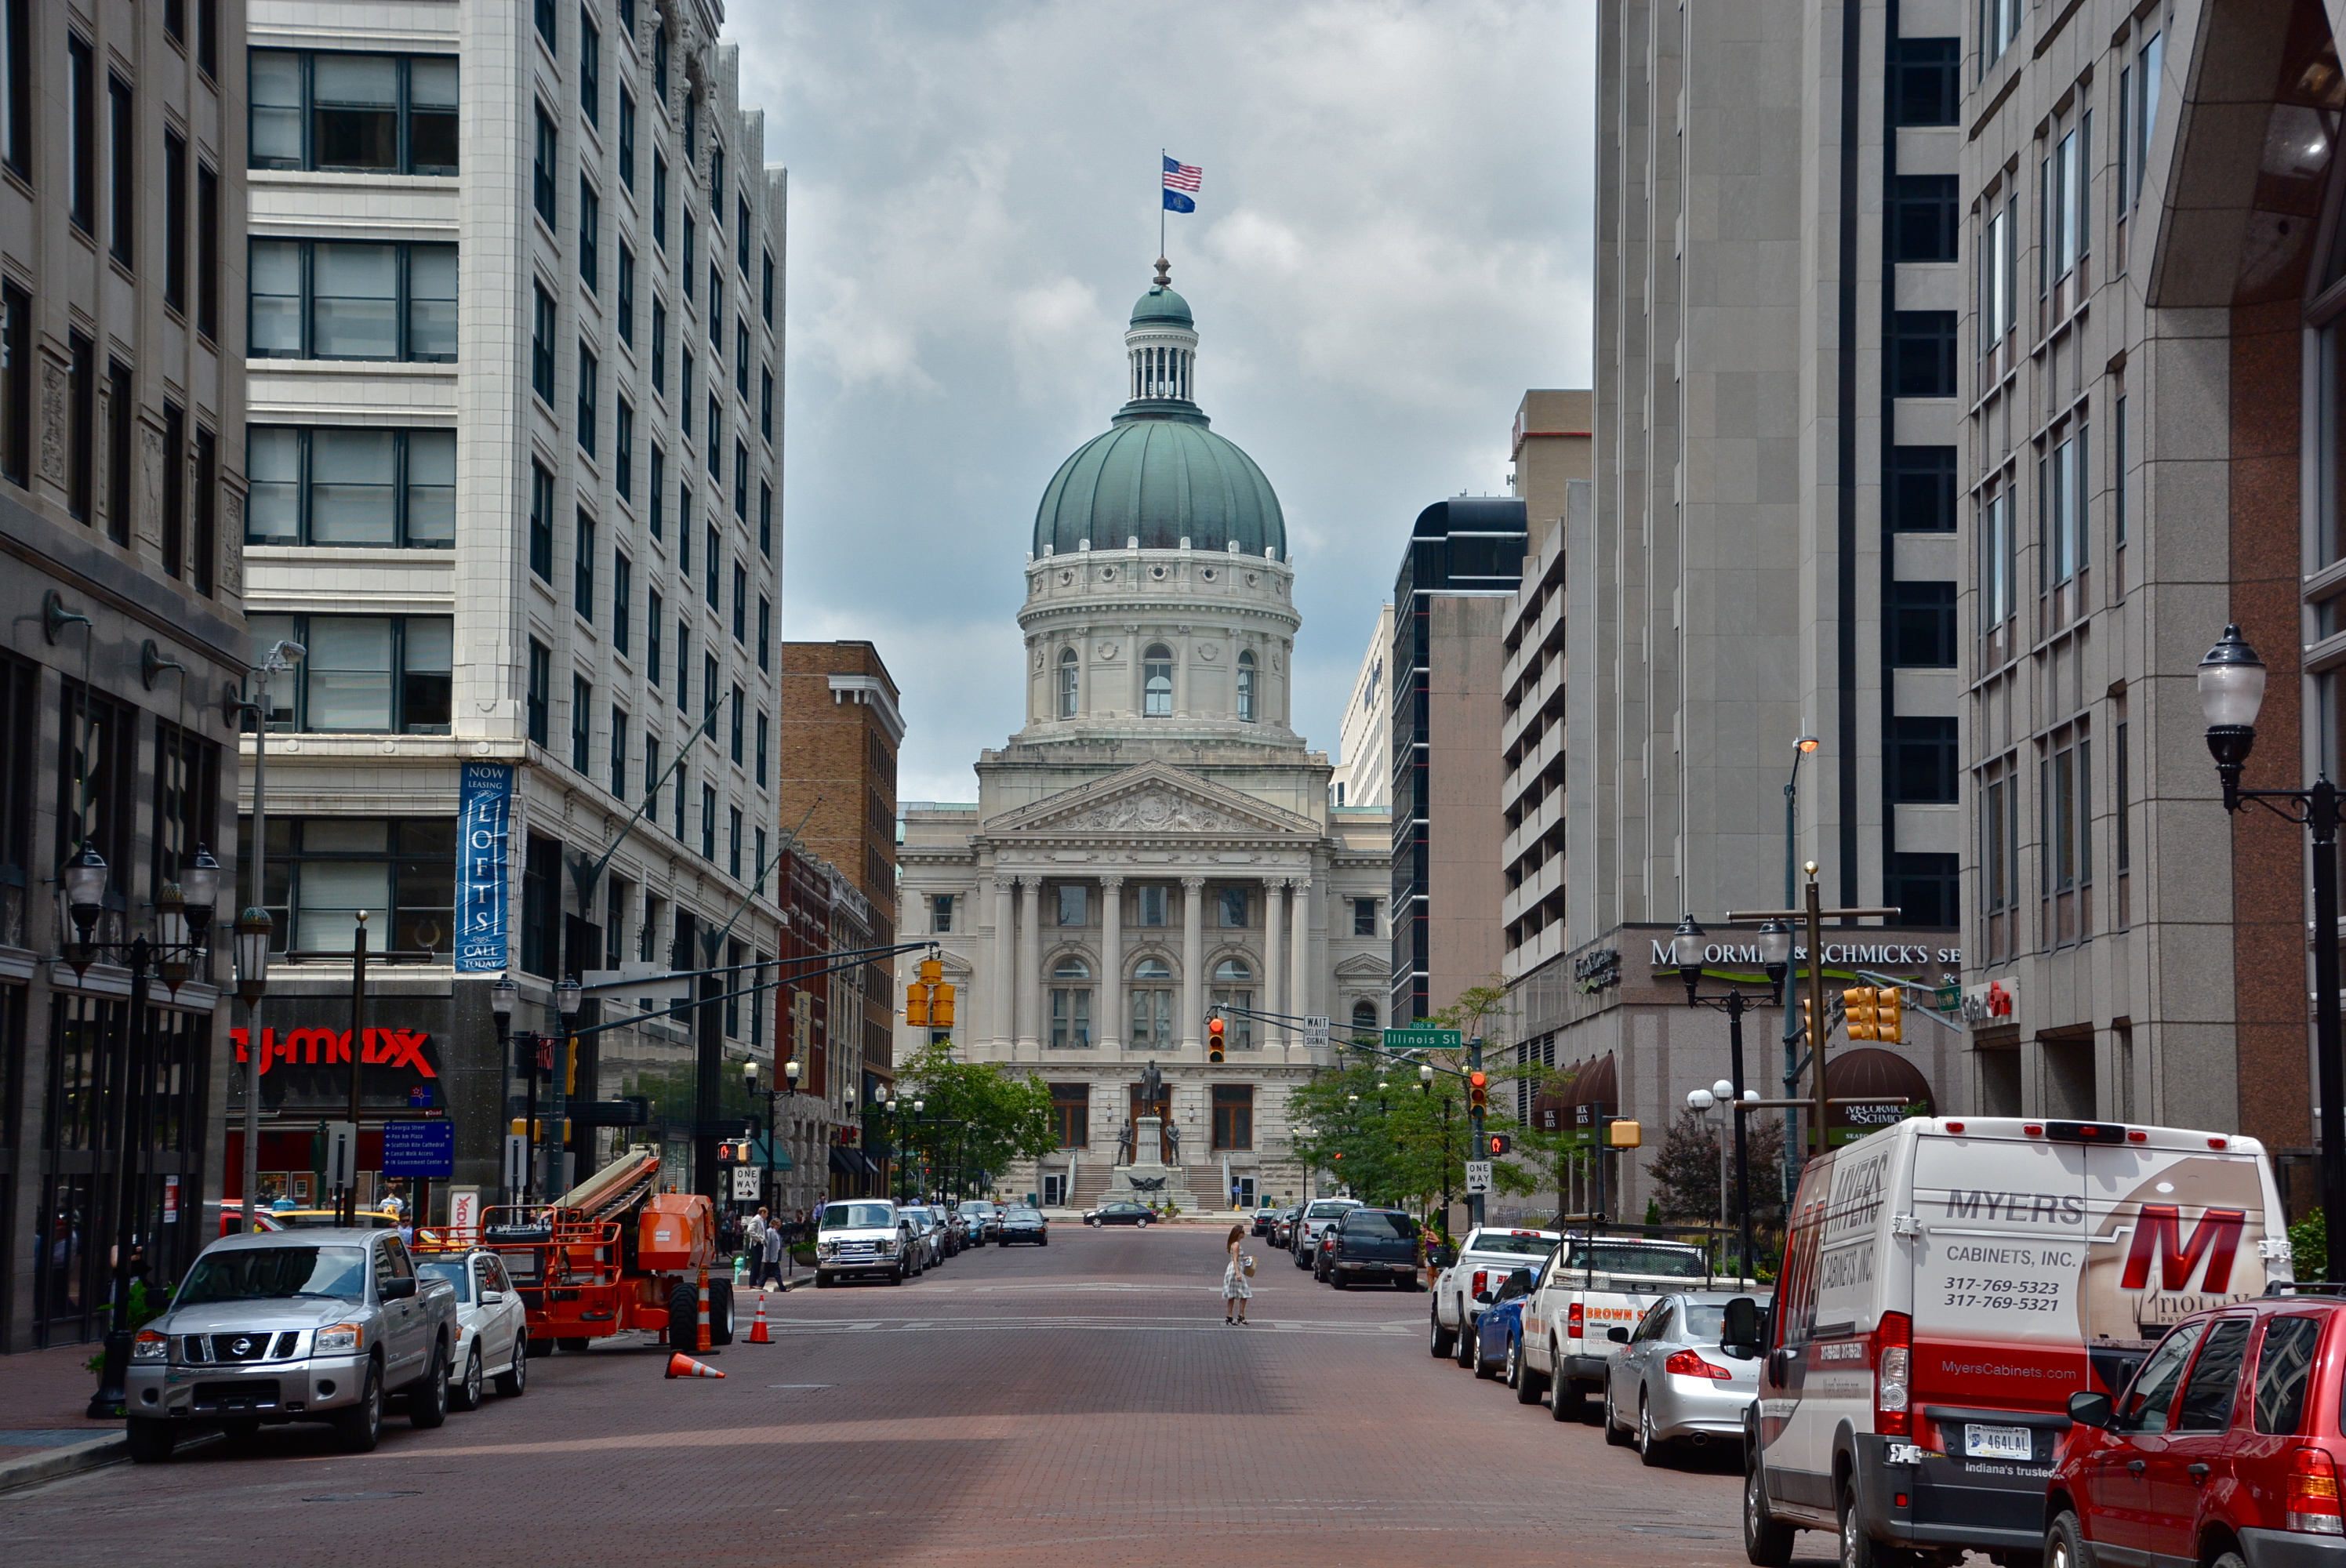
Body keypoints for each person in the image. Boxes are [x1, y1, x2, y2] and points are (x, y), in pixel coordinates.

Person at [1222, 1223, 1252, 1326]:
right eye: (1243, 1232)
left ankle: (1230, 1316)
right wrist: (1238, 1273)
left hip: (1234, 1268)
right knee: (1244, 1293)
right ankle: (1240, 1315)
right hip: (1235, 1270)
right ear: (1238, 1234)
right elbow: (1235, 1259)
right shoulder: (1236, 1245)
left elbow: (1236, 1258)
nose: (1244, 1234)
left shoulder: (1235, 1244)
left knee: (1233, 1294)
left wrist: (1245, 1258)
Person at [758, 1214, 786, 1290]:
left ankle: (760, 1285)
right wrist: (767, 1257)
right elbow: (767, 1246)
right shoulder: (769, 1232)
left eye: (779, 1225)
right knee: (777, 1273)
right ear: (773, 1224)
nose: (779, 1227)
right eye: (777, 1225)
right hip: (771, 1257)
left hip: (774, 1256)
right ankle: (782, 1287)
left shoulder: (776, 1232)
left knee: (766, 1272)